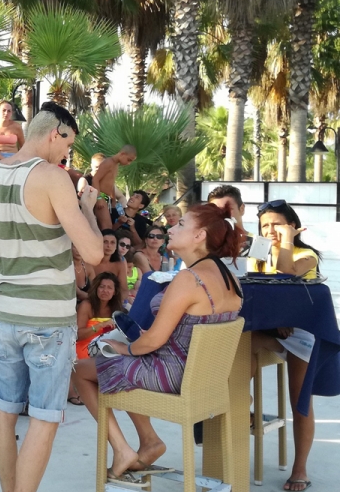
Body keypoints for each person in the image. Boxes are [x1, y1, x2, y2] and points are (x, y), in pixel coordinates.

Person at [0, 102, 103, 492]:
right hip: (48, 319)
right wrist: (87, 209)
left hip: (5, 315)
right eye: (68, 145)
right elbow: (94, 253)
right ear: (55, 133)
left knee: (5, 412)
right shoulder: (52, 177)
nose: (66, 154)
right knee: (44, 418)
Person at [71, 204, 244, 486]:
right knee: (121, 361)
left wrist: (124, 348)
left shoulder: (189, 279)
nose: (170, 229)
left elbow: (152, 342)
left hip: (173, 373)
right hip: (205, 378)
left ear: (199, 235)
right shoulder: (230, 278)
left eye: (181, 224)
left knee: (81, 369)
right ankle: (149, 441)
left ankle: (123, 449)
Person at [248, 200, 320, 492]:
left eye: (277, 224)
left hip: (301, 332)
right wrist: (275, 318)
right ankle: (244, 406)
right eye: (265, 225)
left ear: (292, 226)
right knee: (234, 343)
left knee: (300, 401)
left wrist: (287, 241)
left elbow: (287, 275)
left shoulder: (307, 255)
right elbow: (252, 289)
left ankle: (300, 468)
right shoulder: (259, 253)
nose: (270, 230)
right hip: (269, 328)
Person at [74, 272, 123, 361]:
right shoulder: (86, 305)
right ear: (96, 288)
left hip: (107, 350)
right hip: (86, 350)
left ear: (114, 292)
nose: (105, 290)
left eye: (109, 288)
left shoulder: (117, 309)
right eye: (102, 287)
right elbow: (78, 335)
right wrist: (100, 325)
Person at [91, 145, 137, 230]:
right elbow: (95, 180)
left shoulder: (115, 165)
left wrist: (113, 200)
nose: (129, 163)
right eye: (129, 160)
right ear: (122, 154)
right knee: (107, 228)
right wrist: (99, 198)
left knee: (104, 227)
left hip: (107, 199)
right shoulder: (108, 162)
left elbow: (111, 184)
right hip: (101, 196)